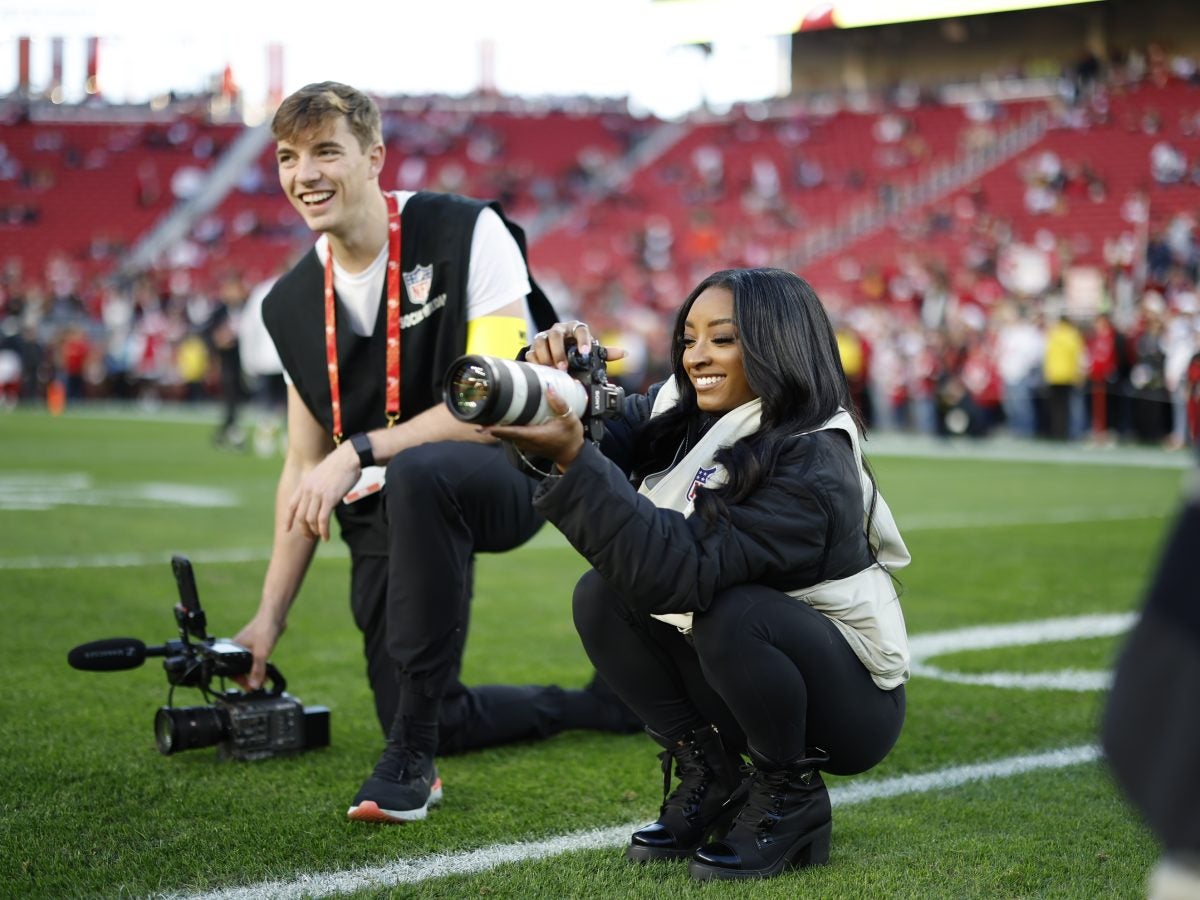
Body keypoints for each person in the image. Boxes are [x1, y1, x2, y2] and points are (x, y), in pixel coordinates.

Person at [232, 82, 637, 827]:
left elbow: (495, 409)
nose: (305, 173)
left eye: (327, 150)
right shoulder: (287, 303)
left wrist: (360, 449)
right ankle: (595, 705)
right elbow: (302, 465)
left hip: (509, 471)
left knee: (418, 471)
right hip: (388, 501)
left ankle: (410, 762)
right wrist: (267, 621)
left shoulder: (462, 230)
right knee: (428, 706)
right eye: (289, 157)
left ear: (375, 156)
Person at [487, 267, 910, 880]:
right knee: (603, 597)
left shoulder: (814, 460)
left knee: (732, 613)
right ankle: (711, 771)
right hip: (747, 667)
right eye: (688, 339)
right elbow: (600, 439)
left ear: (777, 343)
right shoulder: (681, 411)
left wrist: (572, 454)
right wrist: (548, 381)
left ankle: (789, 794)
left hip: (849, 705)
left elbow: (679, 573)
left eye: (722, 338)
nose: (696, 357)